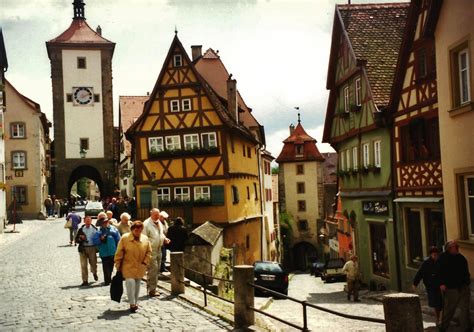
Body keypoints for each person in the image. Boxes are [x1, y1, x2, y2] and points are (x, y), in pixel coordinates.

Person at [114, 221, 151, 313]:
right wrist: (118, 265)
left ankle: (135, 301)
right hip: (128, 265)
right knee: (130, 284)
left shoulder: (145, 239)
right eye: (136, 230)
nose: (138, 232)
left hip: (140, 266)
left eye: (140, 230)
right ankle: (132, 304)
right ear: (132, 230)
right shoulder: (125, 238)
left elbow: (149, 252)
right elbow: (119, 252)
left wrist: (145, 262)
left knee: (137, 284)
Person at [438, 240, 471, 332]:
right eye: (455, 247)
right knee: (449, 310)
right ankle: (443, 327)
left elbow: (465, 272)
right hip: (450, 288)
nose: (457, 249)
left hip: (463, 286)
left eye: (457, 247)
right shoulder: (443, 258)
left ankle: (466, 329)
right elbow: (439, 272)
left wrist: (467, 282)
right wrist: (441, 283)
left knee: (464, 309)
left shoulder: (461, 258)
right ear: (449, 249)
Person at [412, 246, 442, 324]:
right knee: (436, 303)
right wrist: (415, 283)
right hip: (431, 286)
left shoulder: (441, 261)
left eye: (437, 255)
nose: (436, 256)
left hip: (440, 285)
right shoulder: (426, 263)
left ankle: (440, 318)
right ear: (431, 255)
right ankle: (438, 318)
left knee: (441, 303)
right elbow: (420, 273)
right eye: (434, 255)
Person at [143, 208, 170, 297]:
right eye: (155, 215)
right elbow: (143, 238)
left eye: (158, 215)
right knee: (153, 269)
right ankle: (152, 290)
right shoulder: (146, 224)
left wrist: (164, 239)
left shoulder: (159, 223)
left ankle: (153, 288)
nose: (157, 216)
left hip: (159, 249)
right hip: (151, 250)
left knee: (157, 269)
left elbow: (160, 234)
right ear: (151, 214)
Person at [92, 218, 120, 285]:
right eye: (104, 223)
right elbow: (95, 241)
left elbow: (118, 239)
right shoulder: (98, 231)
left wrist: (117, 248)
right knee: (105, 266)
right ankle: (107, 280)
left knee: (111, 265)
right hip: (104, 252)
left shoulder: (113, 229)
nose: (105, 223)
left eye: (106, 222)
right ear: (101, 224)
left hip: (112, 251)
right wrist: (100, 239)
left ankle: (109, 278)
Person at [75, 216, 98, 286]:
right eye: (86, 221)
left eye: (89, 221)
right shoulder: (81, 229)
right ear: (84, 221)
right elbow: (76, 240)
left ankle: (94, 272)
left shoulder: (94, 229)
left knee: (93, 263)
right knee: (83, 265)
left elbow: (97, 239)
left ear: (91, 221)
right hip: (83, 248)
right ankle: (85, 280)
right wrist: (80, 239)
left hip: (92, 248)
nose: (88, 222)